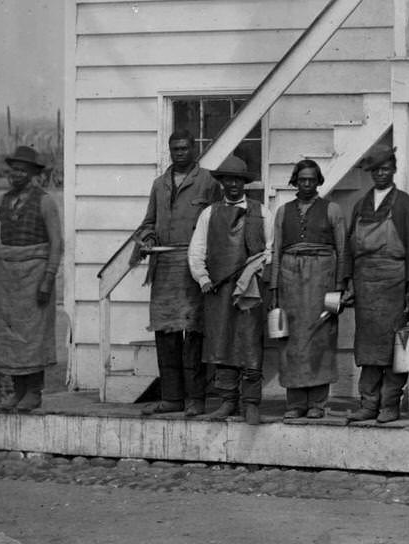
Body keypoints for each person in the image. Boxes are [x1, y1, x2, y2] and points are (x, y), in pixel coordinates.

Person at [132, 130, 221, 416]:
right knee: (166, 334)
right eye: (175, 149)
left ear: (194, 149)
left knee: (194, 334)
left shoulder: (208, 182)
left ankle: (196, 399)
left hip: (194, 267)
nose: (179, 153)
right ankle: (171, 398)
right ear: (169, 151)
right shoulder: (159, 185)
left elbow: (218, 224)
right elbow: (148, 222)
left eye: (184, 148)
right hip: (164, 267)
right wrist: (148, 239)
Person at [341, 144, 409, 425]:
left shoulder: (406, 205)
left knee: (394, 347)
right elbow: (349, 248)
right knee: (368, 347)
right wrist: (349, 282)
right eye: (376, 170)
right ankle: (368, 404)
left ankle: (390, 405)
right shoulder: (361, 204)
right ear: (370, 173)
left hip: (394, 282)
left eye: (386, 169)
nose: (381, 174)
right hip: (365, 283)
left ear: (394, 169)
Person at [0, 145, 62, 413]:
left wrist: (48, 278)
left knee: (33, 334)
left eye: (22, 171)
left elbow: (57, 243)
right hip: (8, 277)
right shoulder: (3, 200)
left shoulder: (45, 201)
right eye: (13, 170)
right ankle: (18, 391)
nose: (16, 175)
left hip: (35, 275)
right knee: (10, 333)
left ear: (33, 174)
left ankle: (34, 392)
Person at [188, 155, 269, 424]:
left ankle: (251, 402)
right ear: (221, 182)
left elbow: (271, 248)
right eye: (228, 180)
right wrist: (203, 278)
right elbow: (196, 250)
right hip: (218, 290)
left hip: (250, 289)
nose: (233, 185)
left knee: (250, 343)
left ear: (245, 183)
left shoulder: (261, 211)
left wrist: (254, 270)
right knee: (221, 342)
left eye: (238, 180)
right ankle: (227, 401)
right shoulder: (209, 213)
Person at [269, 158, 347, 421]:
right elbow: (276, 251)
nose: (306, 184)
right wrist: (274, 289)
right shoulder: (283, 212)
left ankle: (317, 403)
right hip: (290, 280)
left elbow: (343, 250)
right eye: (302, 180)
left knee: (321, 339)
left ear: (318, 181)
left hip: (322, 280)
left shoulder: (332, 210)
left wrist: (339, 287)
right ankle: (295, 402)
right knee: (291, 341)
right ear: (295, 181)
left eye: (311, 180)